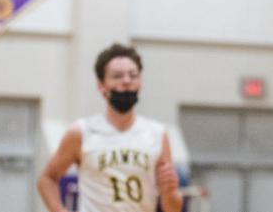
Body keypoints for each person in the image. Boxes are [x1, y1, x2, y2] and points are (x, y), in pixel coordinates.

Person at [37, 43, 183, 212]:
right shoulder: (81, 132)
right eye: (117, 76)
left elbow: (172, 208)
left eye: (133, 75)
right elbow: (47, 179)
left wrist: (169, 192)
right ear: (101, 86)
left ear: (140, 82)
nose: (127, 81)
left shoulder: (157, 133)